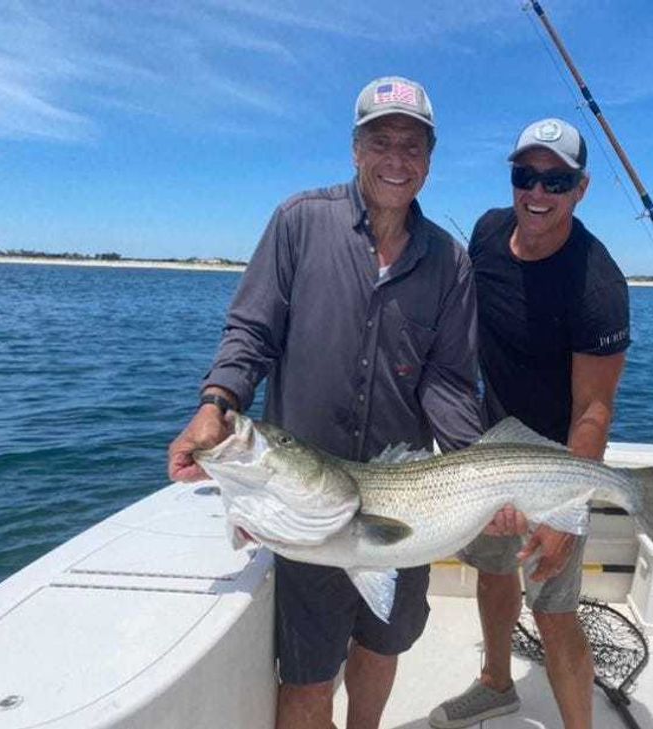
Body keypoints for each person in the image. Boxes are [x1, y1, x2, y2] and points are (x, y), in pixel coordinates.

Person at [168, 76, 483, 729]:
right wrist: (216, 402)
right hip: (303, 499)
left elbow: (450, 382)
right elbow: (251, 331)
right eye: (381, 141)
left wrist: (477, 472)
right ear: (355, 148)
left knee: (383, 642)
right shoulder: (298, 222)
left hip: (406, 497)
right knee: (307, 675)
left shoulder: (450, 262)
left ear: (429, 158)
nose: (396, 159)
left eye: (412, 146)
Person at [429, 118, 631, 729]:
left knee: (553, 608)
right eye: (526, 176)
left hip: (555, 460)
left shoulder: (597, 284)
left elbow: (594, 409)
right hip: (487, 450)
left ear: (581, 188)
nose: (537, 194)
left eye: (556, 180)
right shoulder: (489, 231)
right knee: (493, 573)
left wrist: (566, 507)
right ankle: (496, 682)